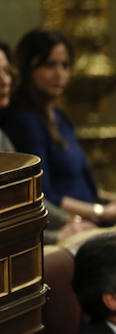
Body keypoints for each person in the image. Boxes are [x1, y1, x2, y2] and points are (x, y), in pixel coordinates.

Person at [2, 29, 116, 224]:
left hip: (91, 215)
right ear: (28, 69)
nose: (60, 74)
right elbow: (44, 194)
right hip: (74, 223)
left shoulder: (60, 117)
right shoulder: (26, 122)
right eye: (50, 65)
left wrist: (115, 199)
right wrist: (102, 211)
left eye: (65, 65)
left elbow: (80, 184)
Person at [0, 39, 95, 242]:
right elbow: (29, 199)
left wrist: (72, 221)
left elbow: (27, 194)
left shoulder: (2, 135)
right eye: (50, 64)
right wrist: (58, 234)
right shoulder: (25, 122)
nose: (4, 80)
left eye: (6, 71)